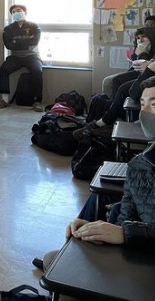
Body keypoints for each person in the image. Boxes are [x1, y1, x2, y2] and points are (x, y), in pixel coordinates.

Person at [35, 75, 155, 271]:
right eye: (143, 105)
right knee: (58, 263)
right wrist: (100, 231)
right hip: (138, 252)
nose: (145, 113)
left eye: (154, 104)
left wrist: (125, 233)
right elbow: (127, 215)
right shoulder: (139, 164)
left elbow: (128, 228)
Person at [0, 4, 44, 112]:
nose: (16, 13)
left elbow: (34, 43)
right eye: (13, 12)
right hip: (15, 56)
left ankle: (37, 102)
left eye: (19, 10)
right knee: (3, 70)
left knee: (37, 71)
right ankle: (5, 100)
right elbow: (8, 45)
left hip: (32, 56)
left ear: (24, 12)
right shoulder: (8, 29)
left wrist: (16, 41)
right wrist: (25, 40)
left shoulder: (34, 26)